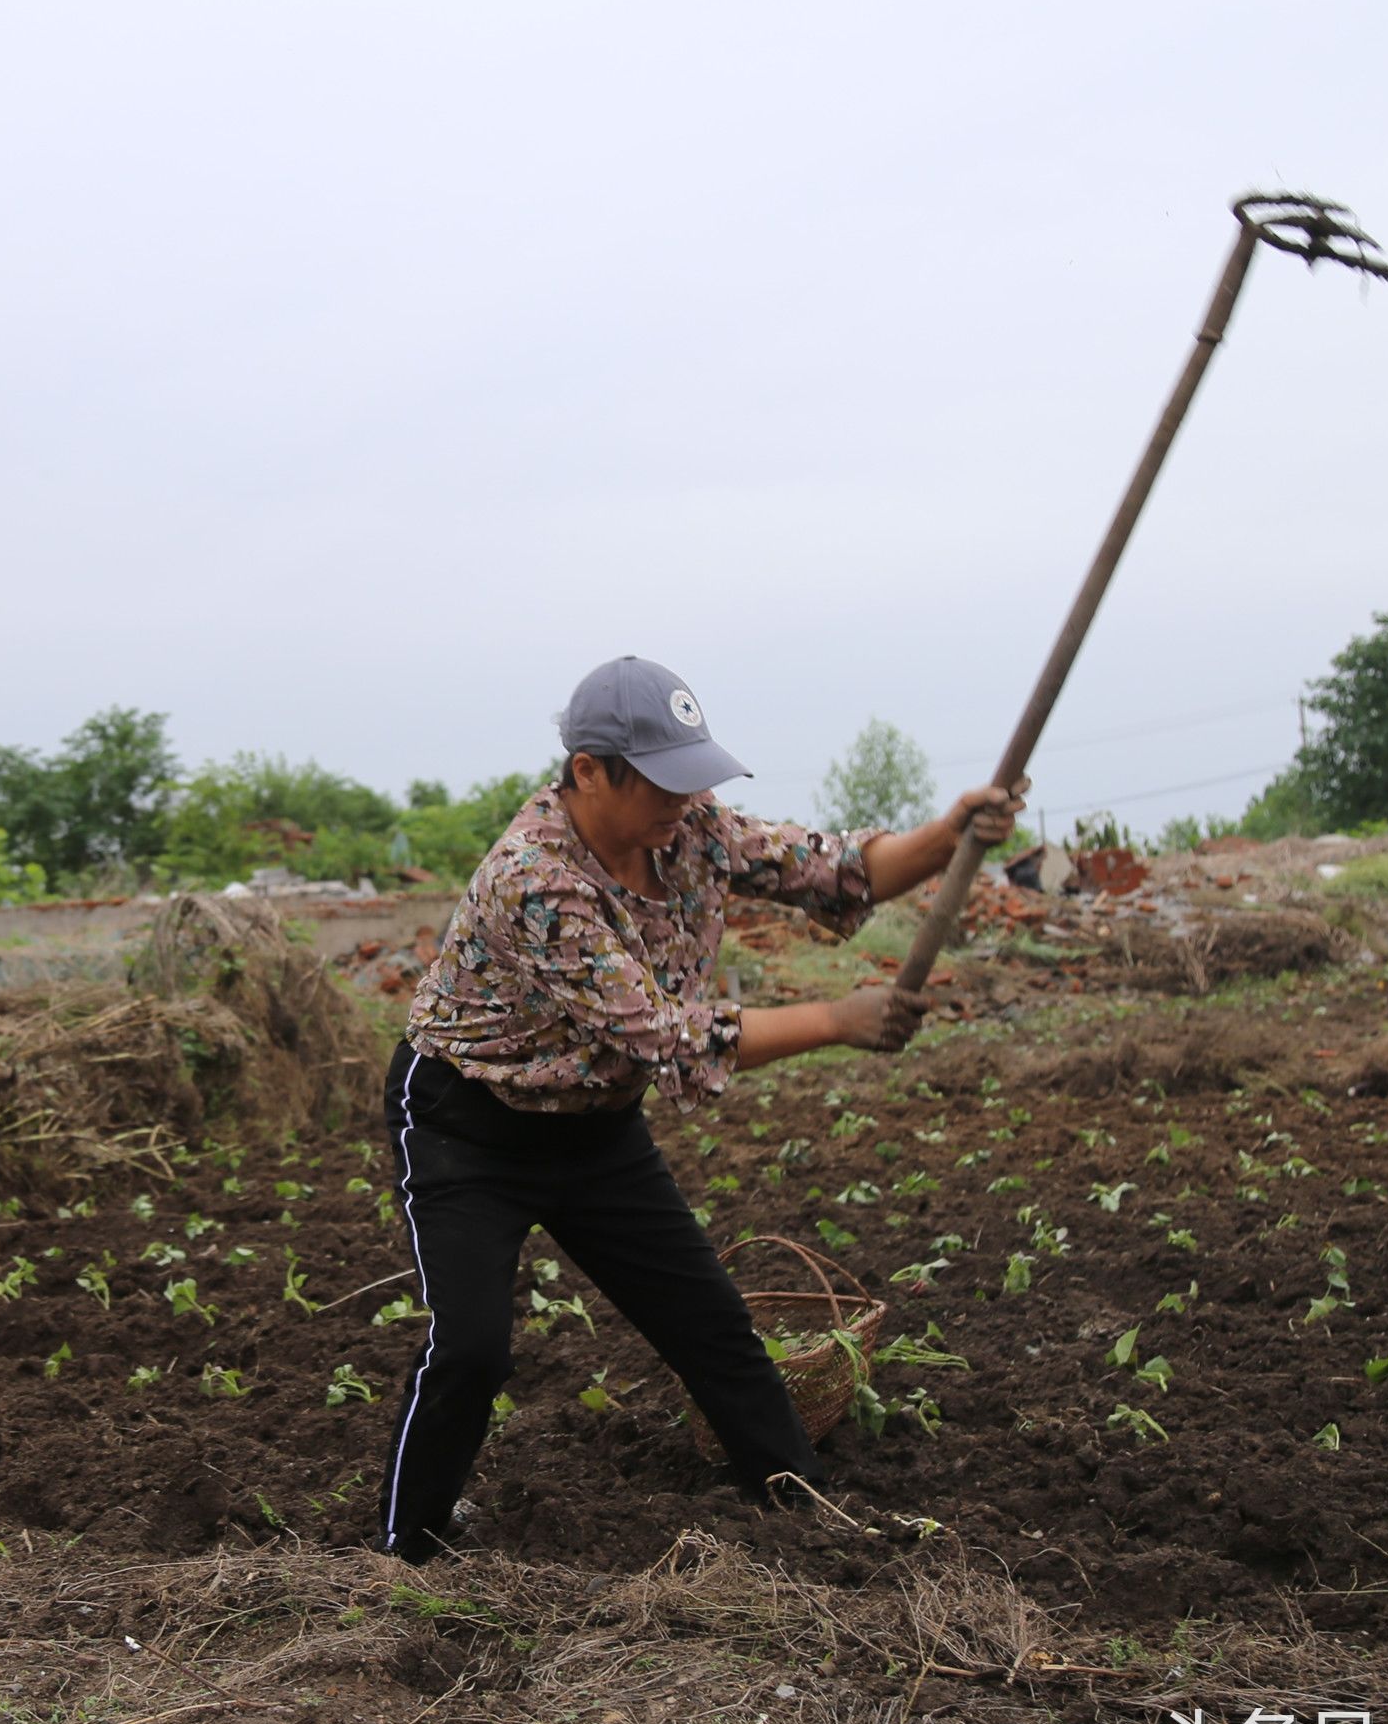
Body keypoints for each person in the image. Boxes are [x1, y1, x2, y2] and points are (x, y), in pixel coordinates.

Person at [377, 655, 1023, 1563]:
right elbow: (664, 1036)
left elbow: (833, 871)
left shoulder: (692, 829)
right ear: (589, 771)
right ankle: (407, 1548)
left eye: (692, 777)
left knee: (710, 1326)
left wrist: (949, 832)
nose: (683, 801)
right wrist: (841, 1018)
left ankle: (801, 1513)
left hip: (595, 1124)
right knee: (474, 1349)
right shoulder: (536, 879)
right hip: (468, 1125)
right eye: (659, 782)